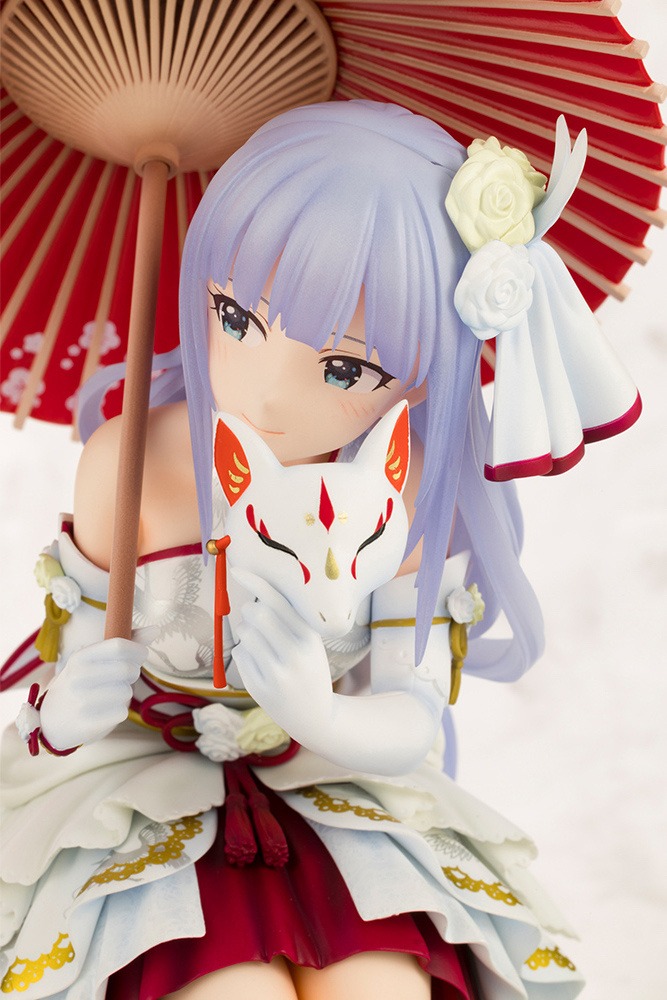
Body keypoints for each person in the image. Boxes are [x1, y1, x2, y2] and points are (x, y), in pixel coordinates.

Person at [1, 100, 639, 999]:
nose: (265, 392)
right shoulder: (132, 462)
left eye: (345, 369)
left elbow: (410, 707)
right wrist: (68, 712)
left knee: (380, 984)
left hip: (328, 781)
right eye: (234, 316)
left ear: (423, 375)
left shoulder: (401, 487)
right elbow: (61, 663)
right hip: (133, 790)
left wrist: (324, 716)